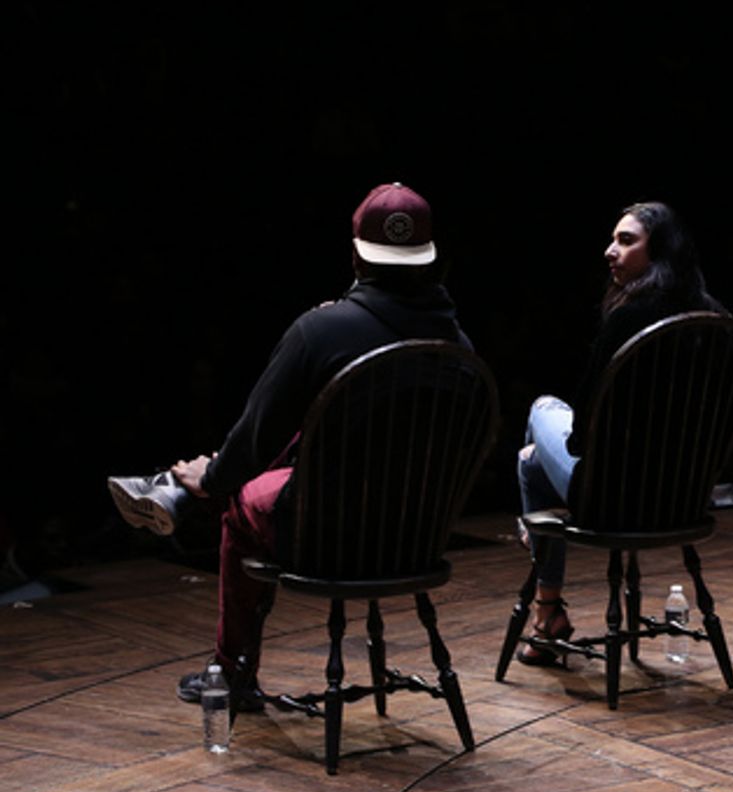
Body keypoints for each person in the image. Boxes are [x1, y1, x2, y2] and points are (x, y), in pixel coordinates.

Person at [107, 182, 473, 706]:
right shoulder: (459, 345)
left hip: (326, 534)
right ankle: (183, 490)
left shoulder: (322, 330)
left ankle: (231, 670)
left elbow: (258, 438)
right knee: (314, 430)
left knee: (240, 496)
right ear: (429, 259)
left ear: (355, 256)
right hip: (417, 539)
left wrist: (212, 479)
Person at [515, 201, 724, 667]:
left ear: (661, 251)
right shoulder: (716, 319)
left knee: (542, 413)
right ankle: (545, 615)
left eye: (626, 241)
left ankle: (546, 600)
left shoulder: (628, 320)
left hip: (613, 501)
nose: (610, 251)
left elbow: (579, 436)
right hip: (684, 499)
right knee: (531, 459)